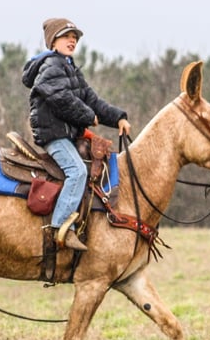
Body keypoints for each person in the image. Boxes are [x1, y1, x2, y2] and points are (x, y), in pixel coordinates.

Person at [22, 18, 132, 251]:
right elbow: (61, 98)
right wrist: (86, 115)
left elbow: (92, 100)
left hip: (65, 134)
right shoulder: (52, 65)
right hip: (55, 135)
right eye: (66, 36)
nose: (72, 40)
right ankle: (59, 228)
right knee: (77, 171)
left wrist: (118, 117)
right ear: (53, 42)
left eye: (75, 37)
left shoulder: (68, 67)